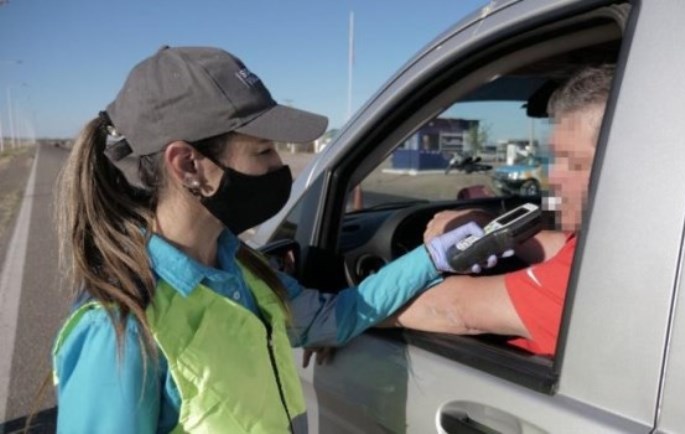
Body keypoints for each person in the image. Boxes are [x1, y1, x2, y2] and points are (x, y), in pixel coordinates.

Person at [51, 46, 496, 434]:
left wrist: (437, 255)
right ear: (188, 165)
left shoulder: (243, 272)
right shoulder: (120, 328)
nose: (279, 166)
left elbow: (338, 316)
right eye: (263, 151)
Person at [384, 65, 615, 357]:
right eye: (556, 157)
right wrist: (489, 227)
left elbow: (453, 309)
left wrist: (340, 316)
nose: (554, 176)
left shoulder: (593, 279)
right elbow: (561, 246)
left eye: (574, 162)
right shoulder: (613, 244)